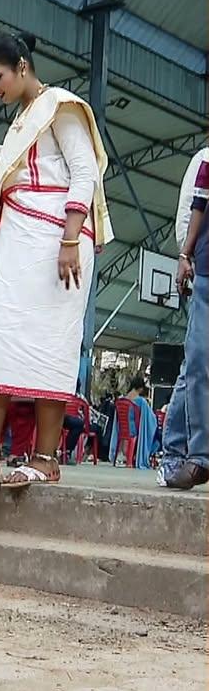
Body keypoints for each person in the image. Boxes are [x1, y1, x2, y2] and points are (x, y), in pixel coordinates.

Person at [0, 30, 112, 500]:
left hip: (54, 242)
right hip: (15, 244)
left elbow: (84, 171)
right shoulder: (22, 120)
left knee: (50, 347)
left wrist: (70, 237)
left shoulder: (59, 107)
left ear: (22, 66)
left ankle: (45, 459)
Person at [159, 154, 209, 489]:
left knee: (192, 367)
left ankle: (176, 454)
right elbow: (196, 206)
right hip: (206, 267)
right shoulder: (206, 159)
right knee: (198, 362)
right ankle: (198, 457)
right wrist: (184, 254)